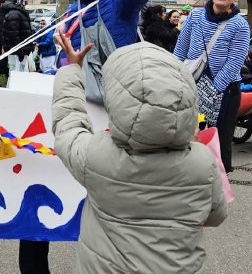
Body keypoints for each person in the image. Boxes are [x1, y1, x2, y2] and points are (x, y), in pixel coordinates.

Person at [19, 0, 170, 274]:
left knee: (110, 214)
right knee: (37, 194)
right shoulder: (68, 12)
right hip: (72, 114)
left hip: (116, 120)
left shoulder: (121, 0)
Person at [52, 36, 228, 273]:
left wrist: (72, 70)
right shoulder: (202, 162)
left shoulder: (96, 156)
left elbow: (68, 124)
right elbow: (216, 215)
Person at [174, 0, 250, 173]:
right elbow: (180, 49)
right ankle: (190, 176)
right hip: (192, 82)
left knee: (219, 139)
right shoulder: (195, 16)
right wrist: (175, 75)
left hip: (225, 91)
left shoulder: (240, 25)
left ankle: (220, 181)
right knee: (188, 134)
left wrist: (213, 91)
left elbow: (235, 62)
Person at [2, 0, 33, 73]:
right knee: (17, 75)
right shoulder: (14, 14)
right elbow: (13, 36)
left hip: (21, 52)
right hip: (17, 54)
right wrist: (20, 53)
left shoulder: (20, 12)